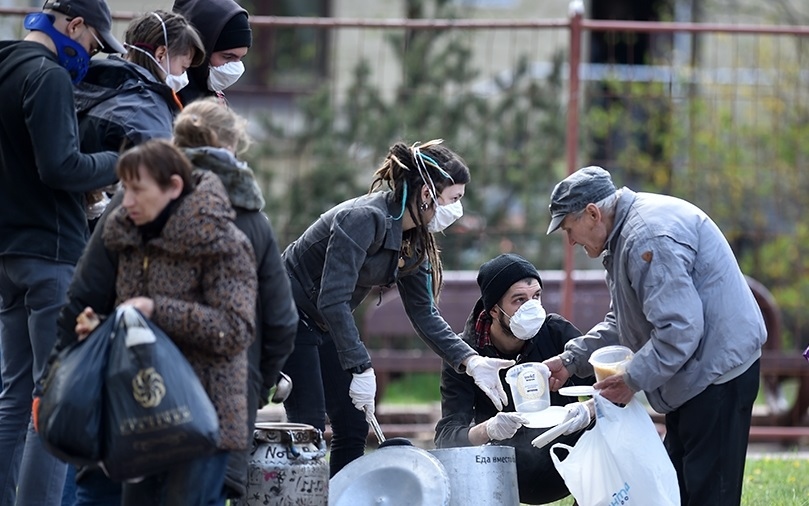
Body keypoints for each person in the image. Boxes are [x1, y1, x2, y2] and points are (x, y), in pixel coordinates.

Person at [281, 139, 516, 476]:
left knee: (352, 424)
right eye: (454, 199)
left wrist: (471, 360)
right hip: (288, 312)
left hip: (323, 323)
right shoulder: (363, 219)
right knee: (309, 424)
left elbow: (423, 313)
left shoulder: (414, 239)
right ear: (426, 194)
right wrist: (361, 365)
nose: (458, 209)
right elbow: (331, 299)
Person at [543, 166, 766, 506]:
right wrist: (571, 360)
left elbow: (680, 330)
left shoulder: (645, 238)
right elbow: (625, 321)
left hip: (716, 374)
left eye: (569, 230)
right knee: (675, 490)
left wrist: (631, 379)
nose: (570, 242)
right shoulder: (624, 236)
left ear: (592, 213)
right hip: (692, 375)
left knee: (710, 494)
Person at [73, 139, 257, 506]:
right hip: (142, 418)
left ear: (173, 187)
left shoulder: (223, 242)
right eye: (123, 189)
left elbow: (235, 328)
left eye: (137, 190)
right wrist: (104, 327)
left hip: (203, 422)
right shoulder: (129, 238)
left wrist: (157, 309)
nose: (125, 202)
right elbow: (139, 325)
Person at [0, 0, 124, 504]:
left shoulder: (5, 62)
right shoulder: (48, 77)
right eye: (92, 42)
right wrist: (121, 162)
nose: (90, 55)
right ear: (74, 25)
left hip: (7, 256)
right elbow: (61, 167)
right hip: (50, 255)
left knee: (11, 398)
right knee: (50, 399)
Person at [173, 98, 298, 500]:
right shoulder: (250, 218)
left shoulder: (135, 199)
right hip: (228, 384)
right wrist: (261, 378)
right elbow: (280, 317)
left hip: (145, 378)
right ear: (231, 146)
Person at [434, 253, 594, 505]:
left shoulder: (555, 333)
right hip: (504, 469)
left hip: (569, 460)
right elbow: (447, 438)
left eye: (537, 296)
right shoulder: (466, 354)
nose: (532, 307)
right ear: (494, 310)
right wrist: (488, 429)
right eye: (519, 300)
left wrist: (587, 409)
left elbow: (609, 389)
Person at [75, 9, 205, 229]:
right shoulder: (144, 108)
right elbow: (164, 177)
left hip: (73, 220)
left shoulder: (96, 82)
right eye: (183, 67)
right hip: (119, 227)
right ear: (161, 54)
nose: (184, 77)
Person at [172, 0, 251, 104]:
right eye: (227, 57)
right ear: (198, 49)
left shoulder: (216, 99)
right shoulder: (162, 98)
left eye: (240, 58)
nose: (235, 68)